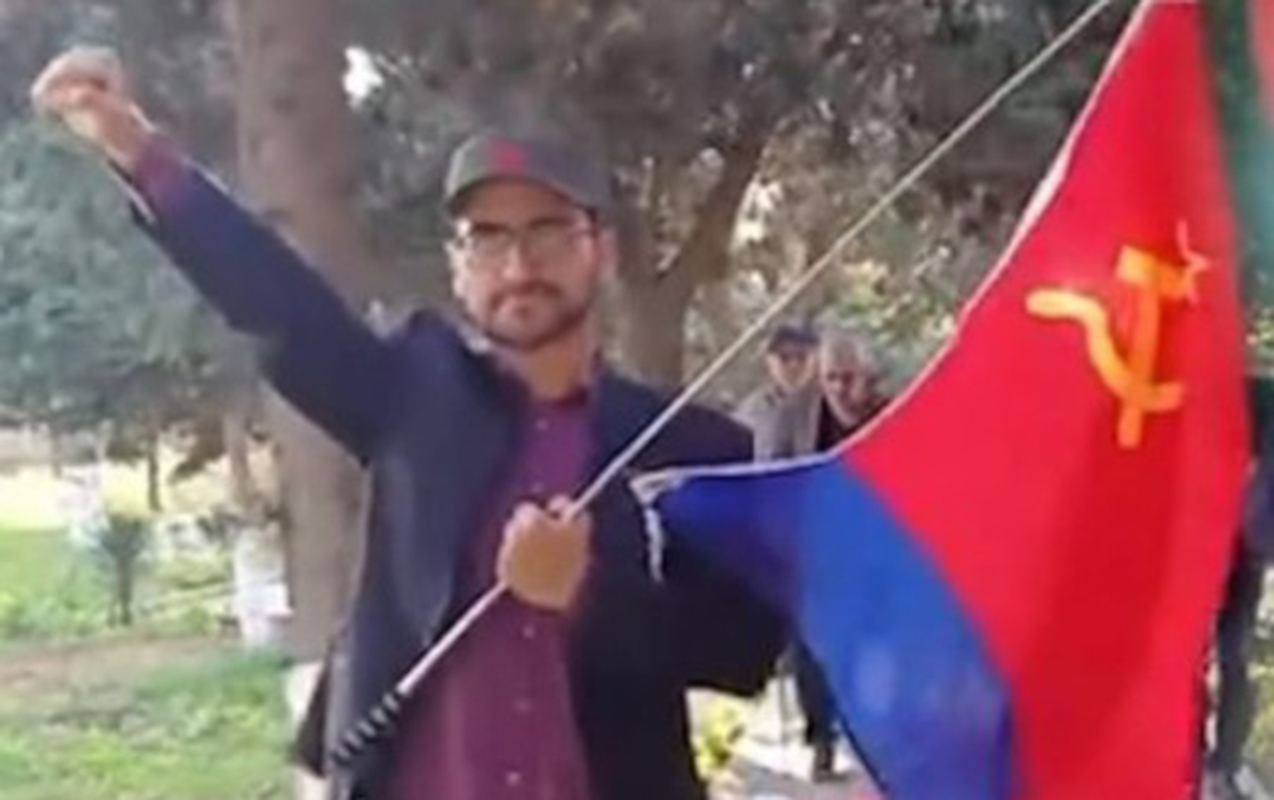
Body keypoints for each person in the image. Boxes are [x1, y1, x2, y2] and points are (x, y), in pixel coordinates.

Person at [31, 48, 783, 800]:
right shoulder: (409, 393)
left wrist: (584, 592)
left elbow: (742, 651)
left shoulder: (691, 445)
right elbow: (277, 304)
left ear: (602, 249)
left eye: (549, 231)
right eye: (487, 238)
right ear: (458, 265)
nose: (518, 265)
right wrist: (138, 150)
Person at [736, 327, 889, 782]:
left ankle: (875, 743)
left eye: (849, 377)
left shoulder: (890, 412)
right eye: (832, 379)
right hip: (815, 549)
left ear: (868, 375)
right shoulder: (793, 416)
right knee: (812, 650)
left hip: (874, 549)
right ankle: (821, 740)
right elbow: (771, 478)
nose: (841, 388)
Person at [1205, 378, 1273, 799]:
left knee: (1234, 651)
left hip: (1242, 546)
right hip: (1203, 535)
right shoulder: (1251, 395)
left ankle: (1224, 764)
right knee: (1206, 652)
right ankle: (1210, 763)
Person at [734, 322, 821, 460]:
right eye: (784, 358)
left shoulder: (832, 404)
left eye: (802, 357)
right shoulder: (751, 411)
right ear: (769, 361)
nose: (793, 366)